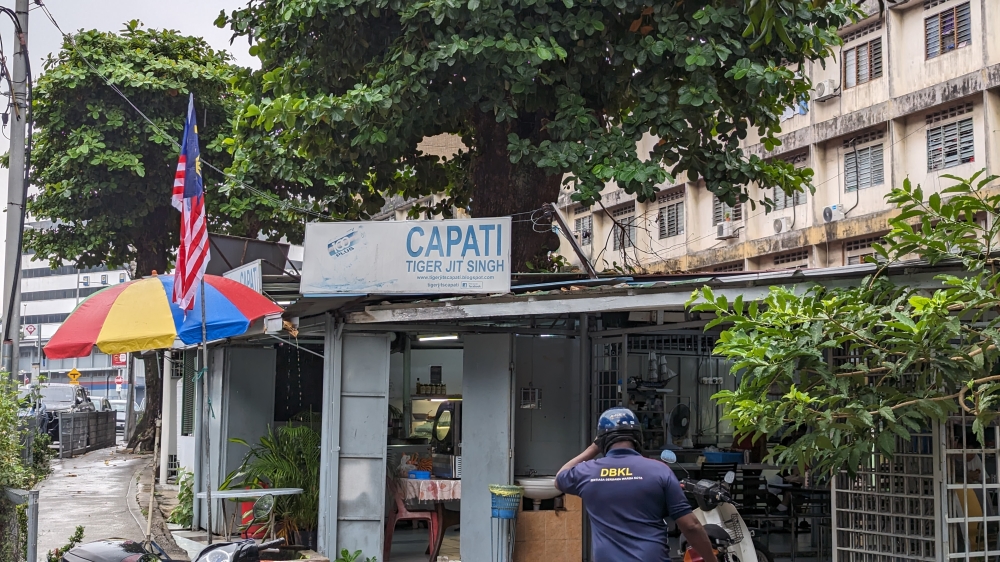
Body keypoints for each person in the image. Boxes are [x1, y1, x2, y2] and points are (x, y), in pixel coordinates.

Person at [555, 407, 718, 562]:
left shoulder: (587, 472)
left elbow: (559, 478)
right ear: (637, 436)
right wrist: (711, 559)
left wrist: (594, 447)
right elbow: (690, 526)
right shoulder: (659, 470)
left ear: (602, 440)